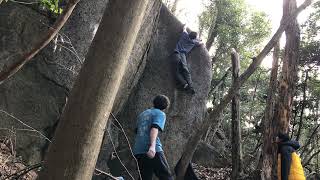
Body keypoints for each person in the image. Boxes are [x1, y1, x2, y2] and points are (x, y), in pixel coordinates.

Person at [133, 95, 173, 180]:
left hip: (138, 150)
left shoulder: (142, 114)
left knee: (144, 177)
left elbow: (137, 131)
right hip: (151, 149)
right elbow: (154, 128)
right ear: (165, 106)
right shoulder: (160, 114)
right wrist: (152, 147)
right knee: (166, 176)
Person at [172, 25, 203, 94]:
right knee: (185, 71)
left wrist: (185, 25)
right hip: (183, 56)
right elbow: (201, 43)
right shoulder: (194, 42)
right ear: (194, 38)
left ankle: (185, 84)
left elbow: (184, 28)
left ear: (189, 34)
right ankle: (191, 87)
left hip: (176, 54)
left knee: (176, 72)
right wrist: (199, 40)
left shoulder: (184, 35)